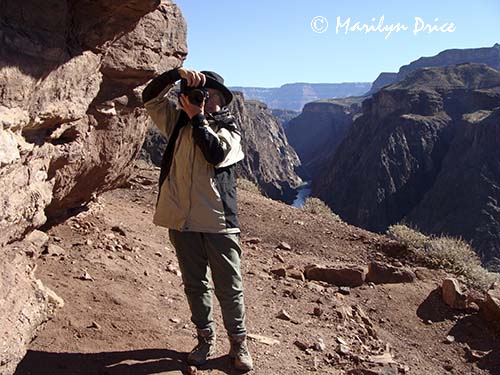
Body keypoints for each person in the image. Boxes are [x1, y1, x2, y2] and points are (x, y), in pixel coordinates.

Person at [141, 66, 253, 372]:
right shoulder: (177, 123)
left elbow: (214, 154)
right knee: (195, 285)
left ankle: (239, 345)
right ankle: (205, 340)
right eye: (199, 94)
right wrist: (174, 75)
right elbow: (149, 97)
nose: (203, 99)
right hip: (182, 221)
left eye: (209, 95)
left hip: (219, 223)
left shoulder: (230, 131)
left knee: (229, 287)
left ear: (219, 100)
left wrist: (198, 117)